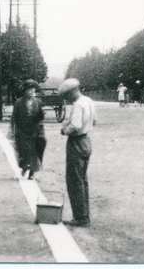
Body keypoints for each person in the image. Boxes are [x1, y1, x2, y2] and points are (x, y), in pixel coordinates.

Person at [59, 78, 96, 227]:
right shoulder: (88, 101)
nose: (67, 99)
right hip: (86, 140)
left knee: (74, 180)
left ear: (72, 92)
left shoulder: (78, 105)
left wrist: (64, 130)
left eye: (67, 95)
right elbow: (95, 121)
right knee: (82, 179)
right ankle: (85, 214)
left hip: (76, 142)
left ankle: (80, 218)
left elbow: (75, 125)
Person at [11, 79, 46, 180]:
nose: (30, 92)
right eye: (28, 90)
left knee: (34, 151)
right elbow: (14, 118)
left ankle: (32, 172)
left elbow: (40, 118)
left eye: (32, 90)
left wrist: (40, 124)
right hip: (22, 130)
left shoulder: (38, 102)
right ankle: (24, 167)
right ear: (24, 91)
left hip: (34, 130)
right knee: (24, 150)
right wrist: (13, 131)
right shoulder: (18, 102)